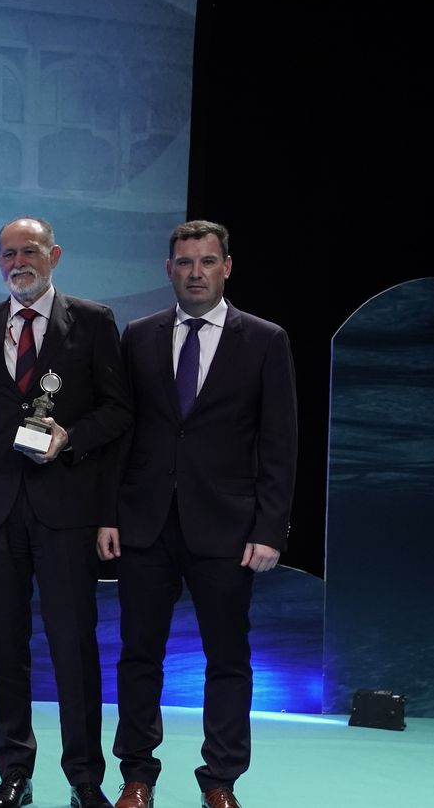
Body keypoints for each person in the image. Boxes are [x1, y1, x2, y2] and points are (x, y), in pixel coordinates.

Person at [96, 220, 296, 808]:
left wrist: (269, 528)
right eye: (185, 263)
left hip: (228, 527)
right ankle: (137, 775)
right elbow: (121, 433)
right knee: (139, 655)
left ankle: (221, 780)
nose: (196, 273)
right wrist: (108, 514)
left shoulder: (265, 340)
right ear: (169, 270)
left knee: (227, 658)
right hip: (145, 523)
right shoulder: (139, 335)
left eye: (208, 262)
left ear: (226, 267)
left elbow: (280, 443)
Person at [0, 216, 131, 808]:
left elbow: (119, 411)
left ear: (55, 255)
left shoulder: (93, 321)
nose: (18, 262)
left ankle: (84, 778)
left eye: (30, 251)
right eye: (8, 254)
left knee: (74, 646)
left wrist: (69, 438)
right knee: (3, 646)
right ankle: (14, 773)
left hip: (67, 508)